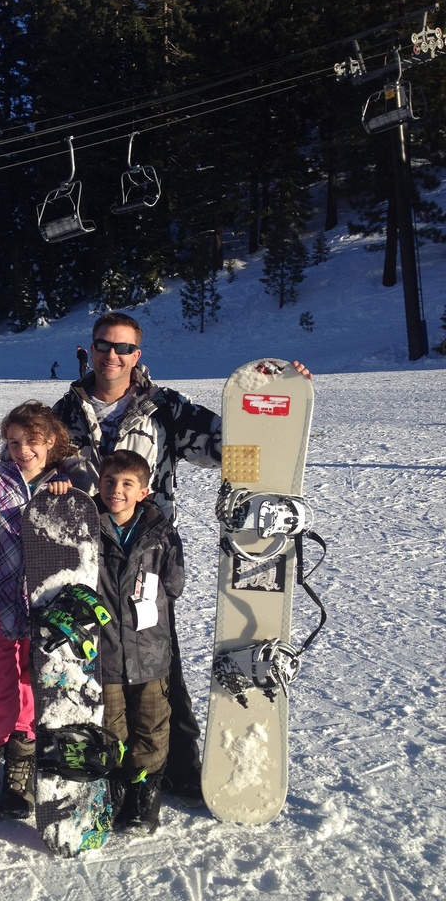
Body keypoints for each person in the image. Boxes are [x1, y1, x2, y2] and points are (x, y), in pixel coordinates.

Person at [54, 311, 313, 806]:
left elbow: (233, 445)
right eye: (104, 345)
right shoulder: (65, 412)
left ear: (137, 355)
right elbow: (33, 463)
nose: (112, 355)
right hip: (81, 553)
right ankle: (98, 765)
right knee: (86, 663)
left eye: (123, 348)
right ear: (91, 348)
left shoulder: (163, 409)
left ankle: (175, 763)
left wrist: (284, 398)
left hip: (143, 555)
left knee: (157, 660)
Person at [0, 401, 92, 819]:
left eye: (32, 441)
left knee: (30, 693)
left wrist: (66, 496)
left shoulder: (62, 487)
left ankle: (20, 772)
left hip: (43, 614)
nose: (23, 450)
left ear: (52, 442)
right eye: (14, 442)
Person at [96, 450, 184, 835]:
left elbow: (174, 583)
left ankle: (144, 792)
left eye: (127, 484)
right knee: (111, 725)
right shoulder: (86, 525)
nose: (117, 490)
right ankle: (115, 788)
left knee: (151, 724)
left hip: (150, 652)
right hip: (104, 651)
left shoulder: (160, 533)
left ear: (144, 491)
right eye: (110, 481)